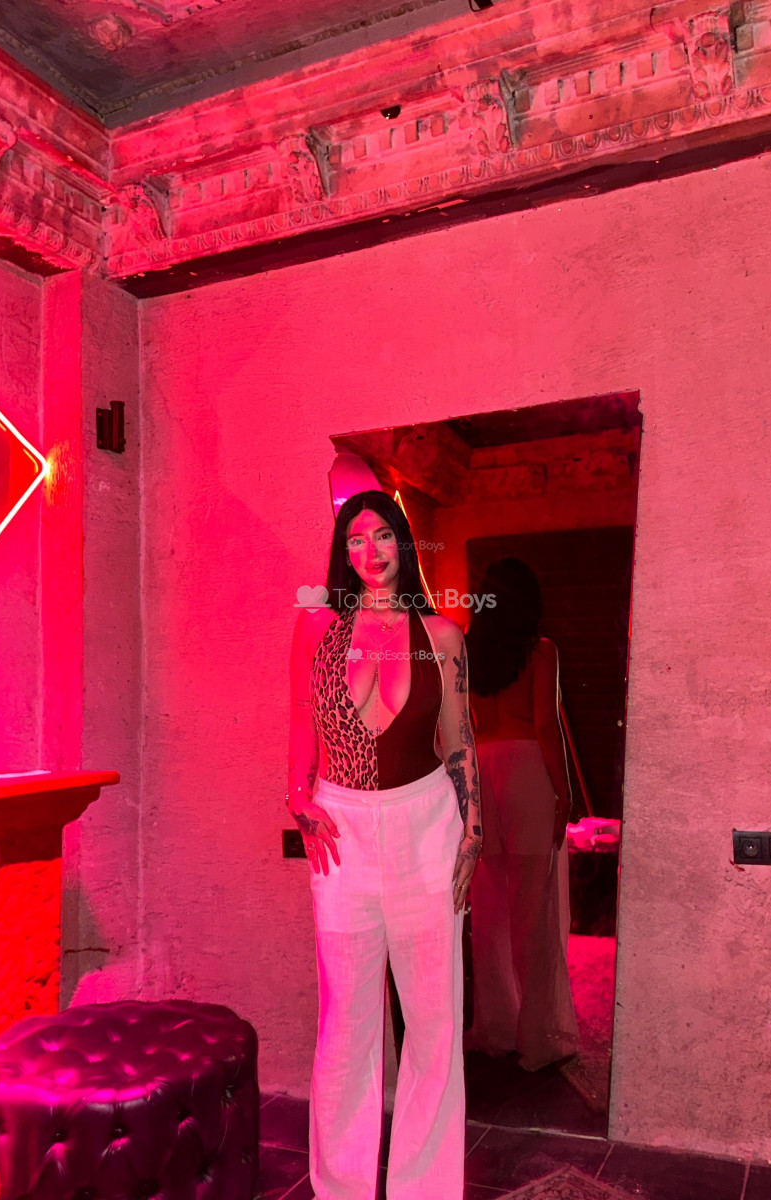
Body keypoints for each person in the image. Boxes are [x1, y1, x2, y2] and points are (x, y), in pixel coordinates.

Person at [287, 489, 482, 1200]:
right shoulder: (317, 629)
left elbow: (459, 743)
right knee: (345, 1025)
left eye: (381, 536)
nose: (369, 551)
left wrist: (474, 833)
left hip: (426, 828)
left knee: (433, 1022)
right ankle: (339, 1187)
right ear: (343, 552)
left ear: (403, 542)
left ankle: (424, 1189)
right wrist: (297, 797)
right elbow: (298, 721)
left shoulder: (442, 635)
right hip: (343, 835)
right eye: (354, 539)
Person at [464, 557, 579, 1072]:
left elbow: (463, 727)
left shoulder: (467, 651)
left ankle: (497, 1027)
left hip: (484, 771)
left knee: (490, 910)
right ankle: (538, 1036)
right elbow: (546, 724)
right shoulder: (540, 651)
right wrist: (565, 792)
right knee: (533, 909)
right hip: (528, 770)